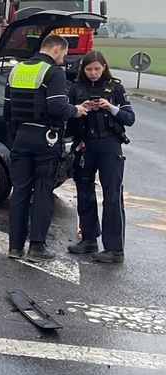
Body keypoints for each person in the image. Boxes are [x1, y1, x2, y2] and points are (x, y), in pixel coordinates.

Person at [4, 34, 87, 261]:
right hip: (45, 140)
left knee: (20, 192)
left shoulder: (17, 70)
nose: (64, 60)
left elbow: (7, 112)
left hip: (21, 137)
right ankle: (37, 248)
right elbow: (57, 106)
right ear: (57, 49)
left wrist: (20, 133)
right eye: (65, 54)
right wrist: (76, 110)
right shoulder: (53, 72)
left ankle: (15, 247)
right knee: (43, 192)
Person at [66, 51, 135, 263]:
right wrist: (80, 110)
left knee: (112, 195)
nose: (93, 73)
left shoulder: (115, 88)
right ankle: (88, 239)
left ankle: (114, 249)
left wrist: (111, 107)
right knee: (84, 191)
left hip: (109, 145)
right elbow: (67, 121)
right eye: (89, 69)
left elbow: (129, 118)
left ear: (104, 67)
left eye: (97, 68)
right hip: (85, 144)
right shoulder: (75, 89)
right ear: (83, 70)